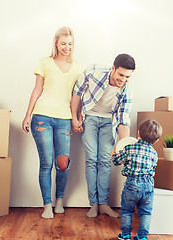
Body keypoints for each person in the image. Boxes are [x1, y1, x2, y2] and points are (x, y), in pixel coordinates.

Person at [22, 26, 82, 218]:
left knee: (63, 164)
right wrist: (27, 115)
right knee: (46, 163)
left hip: (64, 119)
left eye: (70, 44)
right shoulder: (44, 63)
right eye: (63, 43)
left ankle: (59, 201)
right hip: (42, 117)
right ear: (56, 43)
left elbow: (76, 96)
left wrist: (76, 118)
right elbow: (37, 90)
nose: (67, 47)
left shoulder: (78, 68)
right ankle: (47, 204)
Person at [71, 54, 136, 218]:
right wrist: (74, 117)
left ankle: (103, 204)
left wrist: (124, 146)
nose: (123, 80)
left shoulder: (126, 91)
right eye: (121, 75)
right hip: (90, 117)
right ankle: (93, 204)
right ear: (113, 68)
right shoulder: (94, 71)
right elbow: (77, 91)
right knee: (92, 159)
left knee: (106, 161)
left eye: (127, 77)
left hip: (109, 121)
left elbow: (123, 119)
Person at [111, 119, 162, 240]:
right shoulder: (154, 154)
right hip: (148, 185)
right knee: (145, 212)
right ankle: (142, 236)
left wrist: (113, 154)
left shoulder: (129, 148)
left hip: (132, 184)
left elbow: (116, 161)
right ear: (157, 139)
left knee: (127, 210)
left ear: (138, 133)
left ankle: (125, 234)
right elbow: (152, 167)